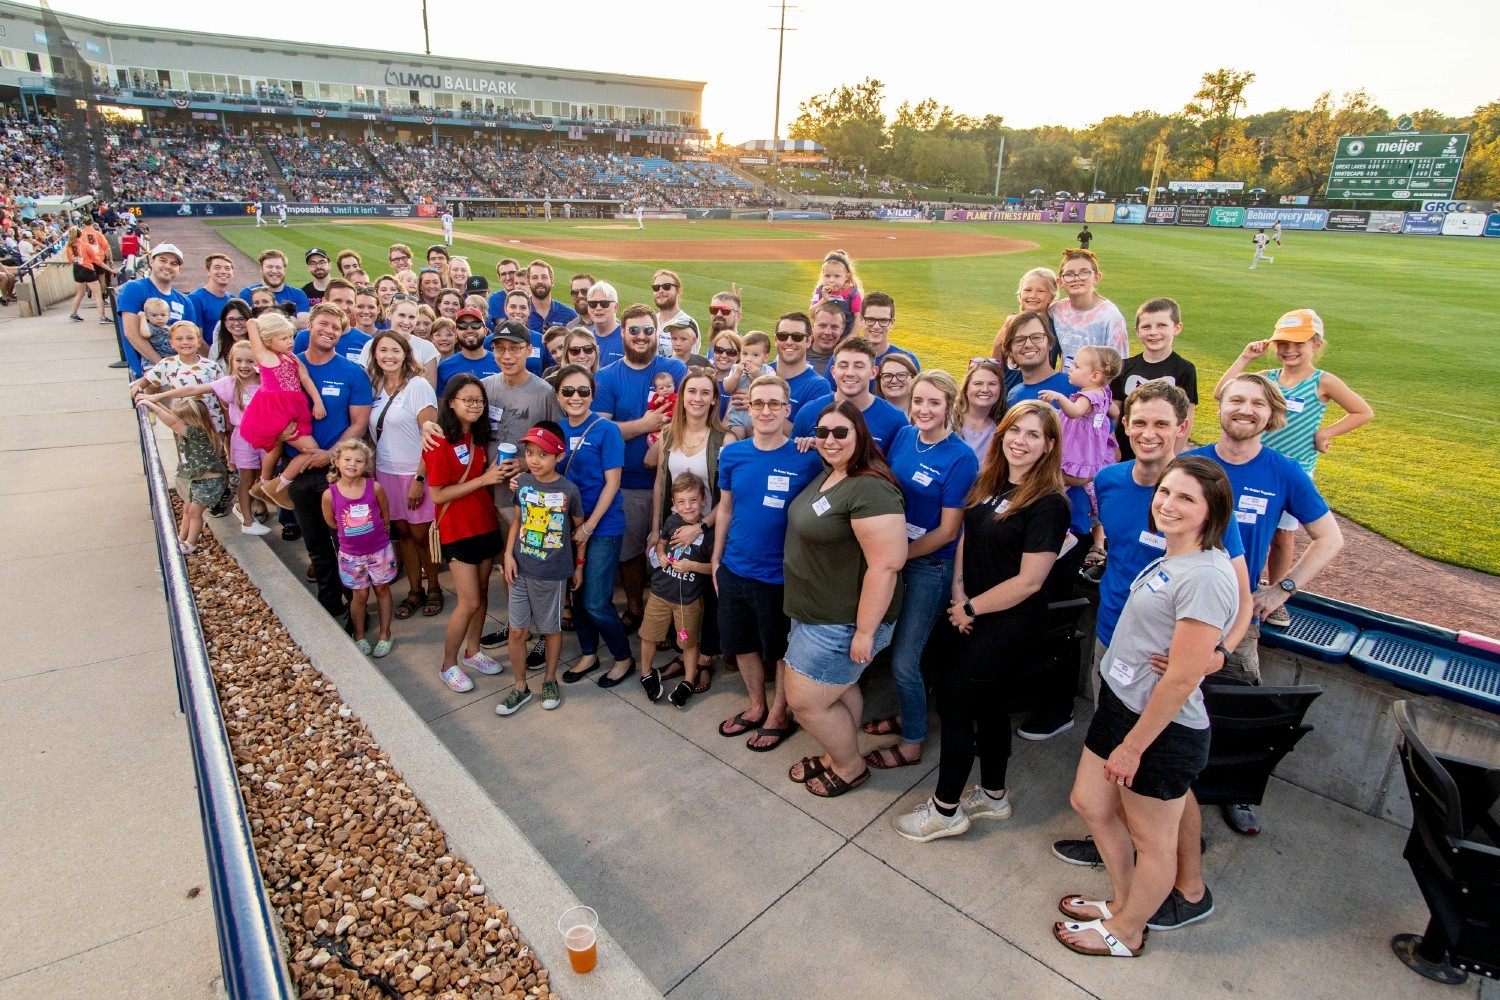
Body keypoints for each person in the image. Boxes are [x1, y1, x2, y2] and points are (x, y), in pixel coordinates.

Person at [1051, 383, 1253, 930]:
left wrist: (1216, 655)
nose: (1149, 433)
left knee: (1167, 786)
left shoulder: (1204, 501)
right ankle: (1126, 862)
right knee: (1111, 786)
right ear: (1124, 425)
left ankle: (1185, 886)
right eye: (1139, 422)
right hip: (1114, 645)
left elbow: (1240, 596)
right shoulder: (1111, 482)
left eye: (1162, 424)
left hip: (1165, 665)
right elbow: (1113, 551)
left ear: (1183, 428)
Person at [891, 401, 1069, 842]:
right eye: (1014, 431)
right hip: (971, 609)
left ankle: (945, 810)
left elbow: (1030, 582)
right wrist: (959, 593)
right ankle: (993, 795)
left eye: (1033, 435)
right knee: (990, 707)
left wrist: (970, 609)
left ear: (1049, 446)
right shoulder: (992, 482)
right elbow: (967, 538)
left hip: (1009, 623)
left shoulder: (1048, 504)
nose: (1020, 441)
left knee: (955, 704)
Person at [1188, 371, 1345, 834]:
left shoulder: (1284, 471)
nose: (1245, 410)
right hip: (1180, 608)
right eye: (1236, 400)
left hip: (1239, 615)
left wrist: (1282, 589)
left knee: (1236, 707)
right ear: (1220, 407)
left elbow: (1329, 538)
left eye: (1257, 404)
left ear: (1271, 414)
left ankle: (1234, 791)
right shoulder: (1192, 463)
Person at [782, 400, 908, 797]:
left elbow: (886, 566)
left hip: (842, 621)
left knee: (805, 701)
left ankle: (849, 766)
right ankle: (838, 752)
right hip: (814, 610)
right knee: (839, 688)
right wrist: (812, 445)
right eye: (823, 432)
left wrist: (866, 632)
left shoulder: (871, 488)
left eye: (841, 432)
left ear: (861, 435)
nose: (830, 440)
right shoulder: (836, 474)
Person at [1214, 311, 1371, 625]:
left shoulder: (1323, 380)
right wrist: (1245, 358)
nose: (1289, 350)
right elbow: (1222, 393)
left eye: (1298, 343)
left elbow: (1362, 411)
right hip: (1257, 463)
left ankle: (1276, 593)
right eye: (1282, 343)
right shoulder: (1268, 377)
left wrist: (1325, 433)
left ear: (1316, 343)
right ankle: (1250, 578)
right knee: (1251, 525)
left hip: (1293, 470)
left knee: (1283, 536)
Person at [862, 371, 978, 770]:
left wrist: (897, 555)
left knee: (905, 660)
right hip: (894, 555)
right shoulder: (905, 437)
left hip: (929, 566)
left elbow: (948, 530)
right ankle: (906, 715)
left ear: (950, 406)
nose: (924, 410)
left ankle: (912, 742)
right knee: (897, 652)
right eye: (919, 401)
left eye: (934, 403)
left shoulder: (962, 458)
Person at [713, 375, 824, 751]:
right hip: (733, 568)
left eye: (773, 404)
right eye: (757, 403)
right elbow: (725, 509)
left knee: (778, 648)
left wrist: (817, 445)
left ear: (787, 409)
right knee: (741, 643)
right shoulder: (732, 454)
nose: (765, 410)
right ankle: (756, 705)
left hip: (778, 576)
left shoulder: (806, 456)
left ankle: (779, 713)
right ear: (748, 407)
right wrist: (716, 559)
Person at [592, 306, 688, 639]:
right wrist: (642, 426)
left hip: (674, 484)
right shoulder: (606, 376)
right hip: (628, 485)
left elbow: (690, 416)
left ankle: (675, 619)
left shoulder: (673, 368)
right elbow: (600, 429)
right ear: (622, 333)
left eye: (648, 330)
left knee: (675, 552)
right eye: (634, 330)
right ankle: (635, 608)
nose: (641, 337)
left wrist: (657, 445)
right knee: (630, 554)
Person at [473, 322, 565, 651]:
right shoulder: (484, 387)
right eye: (500, 348)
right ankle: (517, 624)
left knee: (535, 563)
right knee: (507, 563)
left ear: (529, 350)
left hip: (531, 497)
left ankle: (543, 635)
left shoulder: (543, 393)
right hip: (493, 493)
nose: (507, 355)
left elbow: (557, 442)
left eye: (514, 348)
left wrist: (527, 464)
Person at [551, 365, 635, 686]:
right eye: (568, 391)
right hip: (568, 526)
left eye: (583, 391)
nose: (576, 397)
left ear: (592, 394)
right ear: (558, 395)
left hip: (602, 527)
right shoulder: (557, 431)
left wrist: (588, 528)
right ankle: (588, 653)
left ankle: (623, 657)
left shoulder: (606, 429)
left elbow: (612, 484)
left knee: (596, 601)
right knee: (576, 594)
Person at [425, 374, 508, 692]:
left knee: (483, 594)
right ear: (451, 402)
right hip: (456, 530)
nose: (475, 405)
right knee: (469, 601)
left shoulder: (479, 436)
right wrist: (484, 481)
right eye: (467, 400)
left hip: (485, 525)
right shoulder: (439, 441)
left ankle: (473, 651)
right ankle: (449, 664)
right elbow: (438, 495)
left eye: (479, 400)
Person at [496, 422, 585, 716]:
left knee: (551, 629)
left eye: (542, 454)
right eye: (530, 453)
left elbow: (579, 532)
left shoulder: (569, 490)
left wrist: (579, 566)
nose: (534, 460)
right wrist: (508, 555)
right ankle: (520, 686)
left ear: (558, 457)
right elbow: (518, 521)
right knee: (518, 630)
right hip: (520, 569)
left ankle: (549, 679)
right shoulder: (522, 484)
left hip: (552, 573)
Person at [367, 330, 442, 621]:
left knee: (422, 534)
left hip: (415, 471)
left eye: (395, 351)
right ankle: (415, 590)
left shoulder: (418, 386)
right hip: (386, 471)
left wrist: (420, 480)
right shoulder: (375, 386)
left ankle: (434, 587)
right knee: (405, 534)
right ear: (375, 355)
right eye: (383, 350)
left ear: (406, 354)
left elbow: (431, 438)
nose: (389, 356)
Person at [639, 472, 715, 708]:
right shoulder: (672, 522)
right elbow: (661, 541)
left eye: (693, 500)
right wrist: (661, 554)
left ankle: (688, 681)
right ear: (674, 504)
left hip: (688, 600)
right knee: (648, 635)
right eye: (681, 501)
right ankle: (646, 673)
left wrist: (692, 566)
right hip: (660, 594)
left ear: (703, 500)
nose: (688, 506)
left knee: (688, 642)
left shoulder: (709, 532)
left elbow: (715, 566)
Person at [240, 313, 326, 510]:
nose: (290, 342)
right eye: (284, 338)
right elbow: (251, 323)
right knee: (312, 450)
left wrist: (317, 401)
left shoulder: (292, 357)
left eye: (291, 336)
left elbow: (304, 378)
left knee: (276, 449)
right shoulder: (265, 357)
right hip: (276, 411)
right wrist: (257, 322)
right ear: (268, 341)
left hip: (295, 408)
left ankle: (262, 483)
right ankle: (279, 485)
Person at [320, 440, 397, 658]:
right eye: (347, 459)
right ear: (336, 462)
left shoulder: (374, 487)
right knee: (359, 595)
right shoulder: (330, 494)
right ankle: (360, 635)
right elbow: (332, 522)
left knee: (382, 589)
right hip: (351, 554)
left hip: (379, 550)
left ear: (366, 465)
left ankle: (385, 634)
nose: (352, 464)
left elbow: (385, 513)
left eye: (359, 460)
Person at [1038, 344, 1123, 530]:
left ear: (1095, 376)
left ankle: (1060, 529)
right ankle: (1096, 521)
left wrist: (1059, 397)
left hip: (1077, 453)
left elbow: (1075, 413)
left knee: (1052, 491)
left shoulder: (1088, 396)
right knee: (1092, 496)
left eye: (1076, 366)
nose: (1070, 368)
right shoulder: (1104, 393)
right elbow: (1115, 411)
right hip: (1093, 453)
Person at [137, 396, 227, 554]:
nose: (176, 420)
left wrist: (151, 405)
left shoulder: (197, 433)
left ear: (190, 419)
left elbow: (171, 422)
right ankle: (181, 537)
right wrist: (155, 402)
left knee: (194, 512)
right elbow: (173, 418)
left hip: (210, 483)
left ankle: (191, 543)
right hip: (200, 482)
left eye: (180, 417)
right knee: (187, 509)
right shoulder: (193, 429)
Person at [1112, 298, 1198, 460]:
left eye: (1162, 325)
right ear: (1137, 331)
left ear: (1177, 328)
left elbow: (1186, 417)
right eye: (1146, 327)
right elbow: (1114, 413)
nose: (1153, 332)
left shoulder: (1184, 369)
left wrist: (1174, 455)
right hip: (1125, 449)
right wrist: (1112, 447)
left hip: (1161, 449)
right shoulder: (1124, 367)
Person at [792, 336, 907, 454]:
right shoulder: (808, 412)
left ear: (873, 372)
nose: (850, 373)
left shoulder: (895, 420)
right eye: (843, 365)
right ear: (833, 371)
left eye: (859, 366)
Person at [128, 322, 224, 432]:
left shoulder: (212, 366)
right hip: (182, 423)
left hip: (213, 423)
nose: (185, 342)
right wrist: (137, 385)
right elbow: (146, 380)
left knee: (216, 449)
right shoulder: (167, 364)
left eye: (190, 338)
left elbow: (223, 395)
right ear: (172, 343)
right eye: (179, 339)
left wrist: (227, 420)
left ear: (199, 342)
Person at [118, 244, 196, 374]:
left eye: (173, 263)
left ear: (179, 269)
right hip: (149, 374)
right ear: (152, 261)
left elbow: (191, 338)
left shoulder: (185, 302)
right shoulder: (134, 289)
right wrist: (163, 365)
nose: (167, 266)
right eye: (163, 260)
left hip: (180, 374)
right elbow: (131, 333)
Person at [1049, 249, 1129, 372]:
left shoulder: (1110, 316)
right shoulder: (1056, 310)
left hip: (1096, 389)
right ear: (1060, 282)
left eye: (1084, 272)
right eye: (1069, 274)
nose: (1076, 278)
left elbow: (1120, 364)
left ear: (1097, 277)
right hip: (1066, 386)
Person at [770, 311, 834, 425]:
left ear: (808, 341)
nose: (789, 342)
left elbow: (806, 436)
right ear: (775, 340)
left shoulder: (818, 386)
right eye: (782, 336)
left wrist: (760, 409)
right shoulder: (761, 371)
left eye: (797, 337)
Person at [1001, 311, 1072, 406]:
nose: (1028, 344)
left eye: (1036, 337)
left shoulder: (1075, 387)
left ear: (1050, 344)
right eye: (1019, 340)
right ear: (1010, 351)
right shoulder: (1013, 396)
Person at [721, 331, 775, 439]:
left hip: (759, 419)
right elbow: (727, 389)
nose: (748, 359)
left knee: (758, 440)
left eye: (755, 355)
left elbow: (772, 390)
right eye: (745, 354)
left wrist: (758, 375)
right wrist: (737, 374)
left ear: (765, 357)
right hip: (737, 418)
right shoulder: (735, 369)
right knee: (734, 438)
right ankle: (726, 454)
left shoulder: (768, 371)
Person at [239, 249, 311, 329]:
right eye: (269, 267)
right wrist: (290, 319)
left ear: (284, 269)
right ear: (261, 268)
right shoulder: (248, 293)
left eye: (278, 267)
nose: (274, 271)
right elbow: (247, 325)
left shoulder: (298, 294)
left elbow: (304, 324)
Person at [436, 307, 500, 393]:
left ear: (485, 331)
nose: (469, 330)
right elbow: (442, 404)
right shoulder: (445, 367)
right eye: (462, 326)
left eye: (475, 325)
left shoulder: (500, 362)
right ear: (456, 332)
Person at [956, 360, 1007, 460]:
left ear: (1001, 390)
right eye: (978, 383)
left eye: (992, 384)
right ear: (966, 389)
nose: (985, 390)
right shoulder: (947, 421)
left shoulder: (1003, 428)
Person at [859, 292, 919, 374]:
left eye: (883, 320)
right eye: (871, 319)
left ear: (892, 323)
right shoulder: (843, 359)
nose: (876, 326)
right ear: (861, 320)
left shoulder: (909, 361)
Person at [524, 259, 578, 341]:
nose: (540, 281)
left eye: (544, 277)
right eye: (535, 278)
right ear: (528, 282)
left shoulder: (569, 316)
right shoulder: (521, 314)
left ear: (552, 281)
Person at [189, 253, 236, 346]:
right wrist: (213, 359)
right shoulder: (195, 299)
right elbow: (196, 337)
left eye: (227, 268)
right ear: (207, 271)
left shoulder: (232, 299)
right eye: (217, 267)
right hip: (207, 357)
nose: (223, 271)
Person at [650, 269, 697, 355]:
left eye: (666, 286)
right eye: (656, 288)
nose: (661, 291)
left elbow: (690, 363)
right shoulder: (650, 321)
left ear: (678, 291)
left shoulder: (687, 323)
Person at [581, 281, 624, 367]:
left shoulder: (628, 338)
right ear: (588, 308)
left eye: (604, 304)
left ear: (615, 307)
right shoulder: (585, 339)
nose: (598, 308)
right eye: (593, 304)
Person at [810, 249, 864, 317]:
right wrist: (824, 299)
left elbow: (858, 317)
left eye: (837, 276)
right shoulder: (820, 290)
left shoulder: (852, 293)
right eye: (827, 276)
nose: (831, 280)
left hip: (847, 327)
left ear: (846, 276)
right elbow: (812, 314)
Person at [807, 299, 850, 378]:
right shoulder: (798, 352)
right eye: (822, 325)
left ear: (842, 329)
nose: (827, 332)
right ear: (813, 326)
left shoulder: (849, 359)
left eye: (834, 327)